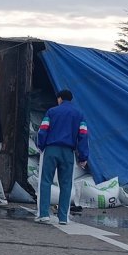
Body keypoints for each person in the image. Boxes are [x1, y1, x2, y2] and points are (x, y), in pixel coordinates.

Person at [36, 89, 89, 225]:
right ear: (70, 100)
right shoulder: (79, 114)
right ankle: (63, 217)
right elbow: (83, 136)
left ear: (59, 99)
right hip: (68, 152)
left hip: (51, 150)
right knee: (66, 184)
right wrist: (83, 157)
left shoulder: (52, 112)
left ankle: (44, 214)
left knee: (46, 181)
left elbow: (43, 130)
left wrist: (40, 146)